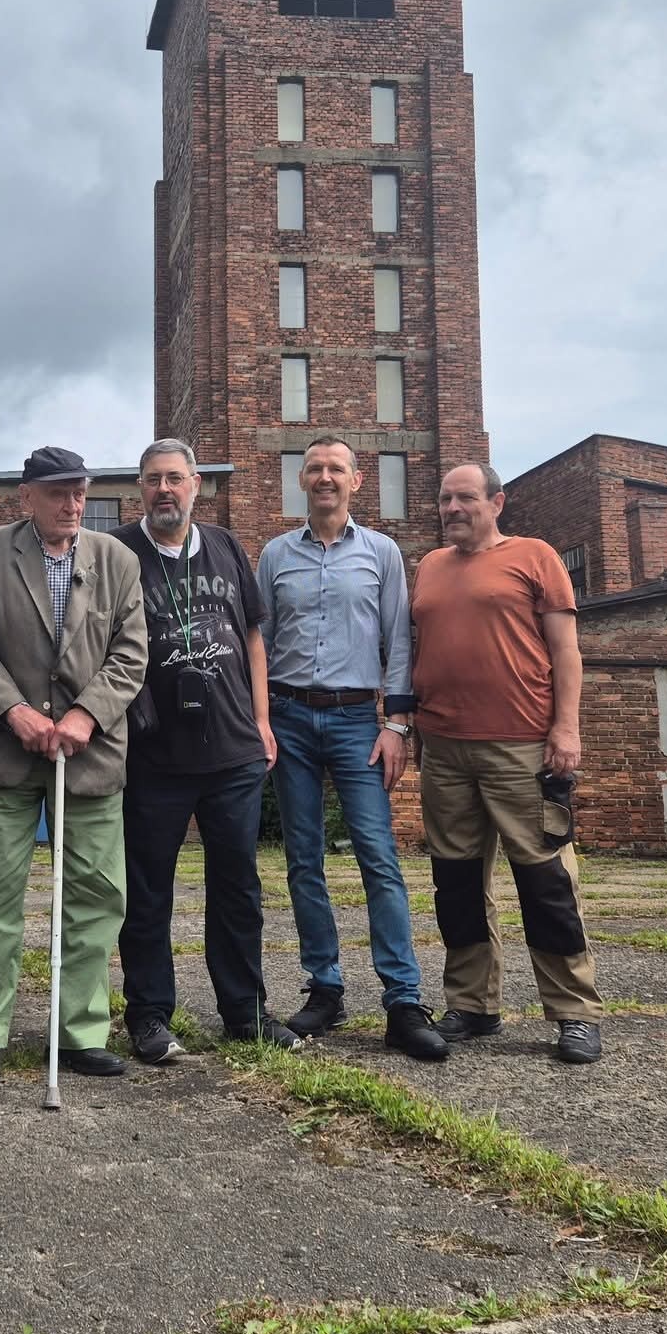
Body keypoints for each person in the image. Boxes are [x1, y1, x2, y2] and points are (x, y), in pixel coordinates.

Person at [0, 446, 147, 1086]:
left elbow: (131, 652)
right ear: (26, 497)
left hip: (90, 757)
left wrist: (86, 716)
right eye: (58, 492)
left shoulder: (116, 558)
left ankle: (82, 1031)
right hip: (6, 753)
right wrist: (16, 715)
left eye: (80, 492)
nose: (72, 504)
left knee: (95, 897)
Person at [257, 436, 448, 1061]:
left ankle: (403, 998)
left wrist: (396, 725)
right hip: (288, 718)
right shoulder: (275, 554)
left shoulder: (382, 553)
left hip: (356, 723)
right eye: (314, 468)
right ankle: (326, 986)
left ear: (356, 481)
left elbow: (398, 638)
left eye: (336, 468)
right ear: (300, 480)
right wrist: (261, 719)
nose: (324, 477)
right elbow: (260, 642)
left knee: (377, 853)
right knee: (303, 857)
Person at [111, 439, 299, 1060]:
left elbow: (252, 637)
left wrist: (262, 721)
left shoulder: (225, 545)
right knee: (148, 890)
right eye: (151, 480)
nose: (164, 490)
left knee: (238, 887)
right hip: (153, 754)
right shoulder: (118, 552)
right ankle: (149, 1015)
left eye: (174, 479)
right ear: (139, 488)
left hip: (232, 750)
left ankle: (245, 1012)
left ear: (196, 484)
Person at [412, 463, 605, 1064]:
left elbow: (565, 651)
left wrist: (565, 728)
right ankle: (472, 1004)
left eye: (466, 497)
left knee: (545, 880)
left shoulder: (536, 556)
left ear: (497, 502)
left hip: (521, 745)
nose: (453, 508)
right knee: (458, 883)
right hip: (443, 747)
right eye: (446, 499)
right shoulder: (429, 567)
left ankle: (574, 1011)